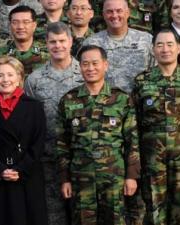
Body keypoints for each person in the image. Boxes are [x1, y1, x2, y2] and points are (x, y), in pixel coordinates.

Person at [56, 45, 140, 225]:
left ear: (105, 65)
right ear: (80, 68)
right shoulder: (69, 100)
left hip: (114, 178)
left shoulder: (121, 99)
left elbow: (132, 140)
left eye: (95, 63)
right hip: (81, 178)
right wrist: (65, 179)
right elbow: (62, 144)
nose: (90, 68)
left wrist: (131, 176)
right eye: (85, 64)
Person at [0, 55, 47, 225]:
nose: (5, 79)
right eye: (0, 75)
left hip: (26, 177)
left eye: (10, 75)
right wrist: (0, 169)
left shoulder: (34, 107)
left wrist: (19, 169)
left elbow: (38, 143)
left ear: (19, 78)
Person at [25, 22, 82, 225]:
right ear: (46, 44)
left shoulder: (85, 74)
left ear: (71, 41)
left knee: (83, 213)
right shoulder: (35, 80)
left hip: (80, 157)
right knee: (52, 215)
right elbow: (29, 120)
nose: (58, 46)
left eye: (62, 41)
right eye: (52, 42)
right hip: (48, 158)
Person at [132, 29, 180, 225]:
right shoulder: (142, 81)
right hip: (152, 158)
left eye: (170, 44)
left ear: (178, 48)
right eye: (159, 45)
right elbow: (133, 124)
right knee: (154, 208)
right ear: (153, 50)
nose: (165, 49)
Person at [83, 0, 154, 93]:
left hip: (140, 101)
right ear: (103, 15)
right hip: (105, 104)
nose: (114, 15)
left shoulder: (146, 40)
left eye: (119, 11)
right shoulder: (91, 43)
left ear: (128, 13)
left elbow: (156, 72)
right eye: (109, 11)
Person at [0, 6, 49, 76]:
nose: (20, 27)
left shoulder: (48, 53)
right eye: (15, 22)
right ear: (10, 25)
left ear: (34, 25)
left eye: (26, 22)